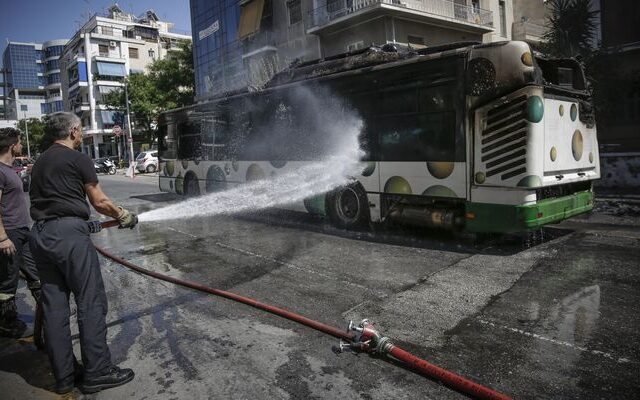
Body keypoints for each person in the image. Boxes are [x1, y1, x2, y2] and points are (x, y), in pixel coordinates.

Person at [29, 112, 138, 394]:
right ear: (74, 131)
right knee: (90, 302)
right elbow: (99, 201)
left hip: (40, 236)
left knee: (55, 309)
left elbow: (52, 200)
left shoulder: (39, 161)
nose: (82, 133)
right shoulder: (78, 158)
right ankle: (98, 372)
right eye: (81, 129)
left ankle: (64, 376)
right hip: (69, 238)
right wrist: (123, 214)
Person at [0, 127, 41, 338]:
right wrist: (2, 237)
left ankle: (47, 309)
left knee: (35, 271)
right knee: (8, 280)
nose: (22, 145)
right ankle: (6, 322)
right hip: (10, 233)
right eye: (19, 142)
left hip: (22, 231)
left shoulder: (10, 169)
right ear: (11, 145)